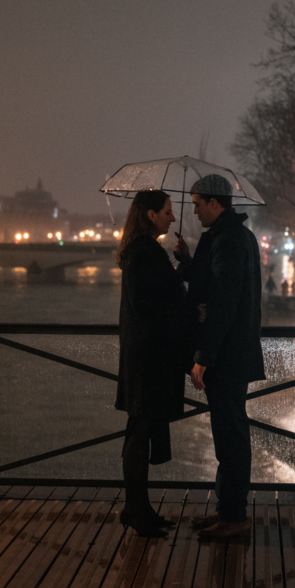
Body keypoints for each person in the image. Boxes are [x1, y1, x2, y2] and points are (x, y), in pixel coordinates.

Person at [175, 174, 264, 541]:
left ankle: (235, 515)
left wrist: (203, 356)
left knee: (230, 434)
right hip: (232, 352)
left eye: (198, 204)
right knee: (227, 433)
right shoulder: (230, 237)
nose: (194, 211)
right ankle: (227, 509)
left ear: (215, 203)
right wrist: (186, 258)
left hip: (227, 355)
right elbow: (214, 285)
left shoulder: (228, 241)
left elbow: (223, 305)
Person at [114, 189, 186, 538]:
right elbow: (150, 304)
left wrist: (180, 264)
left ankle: (139, 508)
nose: (172, 218)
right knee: (140, 430)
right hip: (148, 357)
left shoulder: (142, 251)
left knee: (139, 428)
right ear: (151, 215)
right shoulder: (144, 253)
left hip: (144, 354)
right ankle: (136, 510)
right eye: (167, 212)